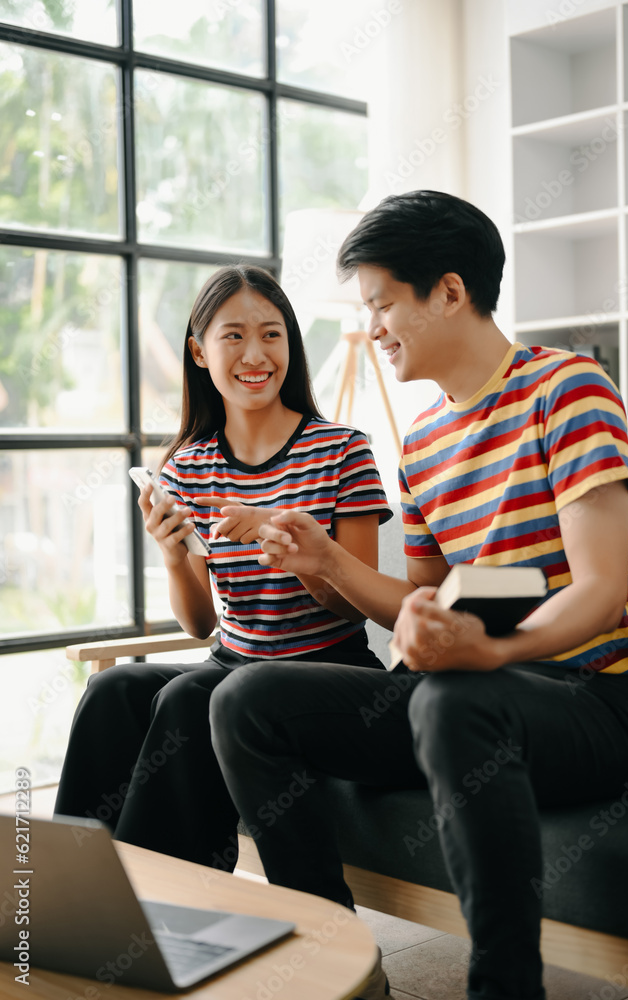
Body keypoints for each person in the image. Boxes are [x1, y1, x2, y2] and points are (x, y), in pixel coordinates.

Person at [208, 193, 628, 1000]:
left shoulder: (567, 389)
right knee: (245, 699)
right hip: (461, 691)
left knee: (451, 700)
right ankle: (338, 963)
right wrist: (327, 561)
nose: (372, 328)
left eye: (382, 305)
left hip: (596, 703)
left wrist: (486, 651)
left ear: (448, 291)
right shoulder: (419, 444)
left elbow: (595, 592)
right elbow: (424, 598)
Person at [54, 264, 392, 872]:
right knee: (113, 690)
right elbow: (200, 624)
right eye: (233, 335)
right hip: (230, 663)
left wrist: (300, 554)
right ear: (200, 352)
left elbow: (358, 602)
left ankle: (158, 918)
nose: (255, 352)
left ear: (290, 343)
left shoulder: (343, 449)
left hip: (326, 674)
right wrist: (173, 554)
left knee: (189, 699)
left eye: (271, 333)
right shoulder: (188, 466)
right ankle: (75, 890)